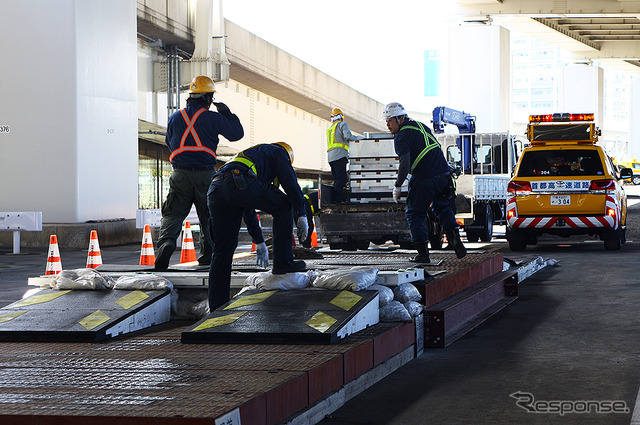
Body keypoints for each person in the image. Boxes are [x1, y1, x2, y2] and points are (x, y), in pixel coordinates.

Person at [155, 76, 244, 270]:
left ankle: (167, 243)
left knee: (173, 212)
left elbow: (170, 142)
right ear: (207, 98)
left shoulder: (175, 117)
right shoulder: (213, 117)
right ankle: (207, 256)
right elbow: (237, 134)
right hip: (205, 174)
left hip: (180, 173)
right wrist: (228, 115)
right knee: (209, 215)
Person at [207, 142, 309, 311]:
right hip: (236, 181)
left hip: (215, 189)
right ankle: (283, 262)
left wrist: (259, 241)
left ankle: (217, 306)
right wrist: (301, 213)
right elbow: (290, 183)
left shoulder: (251, 157)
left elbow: (247, 207)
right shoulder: (278, 152)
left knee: (222, 250)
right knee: (284, 205)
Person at [383, 102, 466, 263]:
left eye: (390, 121)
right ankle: (455, 240)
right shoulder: (420, 126)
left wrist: (398, 185)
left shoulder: (401, 136)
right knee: (442, 207)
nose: (388, 124)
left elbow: (405, 162)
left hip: (425, 177)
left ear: (400, 119)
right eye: (386, 121)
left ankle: (422, 254)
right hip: (443, 175)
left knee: (414, 214)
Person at [326, 108, 362, 203]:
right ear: (341, 117)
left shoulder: (330, 128)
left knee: (337, 179)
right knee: (342, 179)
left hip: (331, 158)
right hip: (340, 156)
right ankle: (338, 201)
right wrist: (357, 138)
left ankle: (336, 199)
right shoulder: (343, 125)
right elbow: (347, 136)